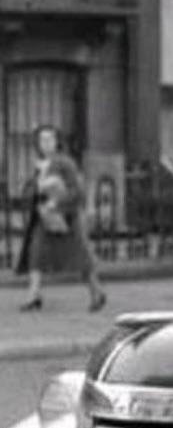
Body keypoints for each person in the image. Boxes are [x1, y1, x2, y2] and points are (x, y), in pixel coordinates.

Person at [16, 125, 105, 313]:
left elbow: (77, 191)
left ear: (57, 142)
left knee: (81, 257)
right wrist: (35, 192)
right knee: (36, 254)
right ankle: (33, 296)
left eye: (49, 139)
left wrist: (57, 202)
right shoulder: (39, 165)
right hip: (44, 217)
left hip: (67, 218)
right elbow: (29, 189)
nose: (45, 144)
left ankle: (96, 292)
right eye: (42, 140)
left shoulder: (65, 163)